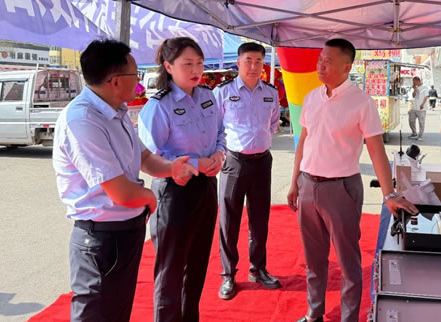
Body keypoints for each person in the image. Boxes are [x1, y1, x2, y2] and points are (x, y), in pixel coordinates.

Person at [53, 39, 197, 322]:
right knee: (96, 315)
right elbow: (122, 193)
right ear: (116, 81)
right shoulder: (82, 120)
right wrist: (151, 199)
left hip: (124, 232)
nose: (140, 82)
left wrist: (172, 168)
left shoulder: (116, 112)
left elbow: (144, 158)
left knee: (118, 312)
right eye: (136, 75)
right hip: (100, 239)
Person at [287, 38, 418, 322]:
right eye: (320, 59)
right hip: (308, 185)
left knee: (348, 261)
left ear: (347, 67)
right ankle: (314, 313)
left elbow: (376, 150)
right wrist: (294, 181)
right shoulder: (311, 97)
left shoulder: (362, 102)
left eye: (328, 61)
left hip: (341, 189)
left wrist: (389, 194)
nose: (320, 65)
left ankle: (348, 318)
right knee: (313, 258)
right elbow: (304, 141)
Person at [138, 37, 226, 322]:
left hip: (206, 186)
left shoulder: (208, 96)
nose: (196, 70)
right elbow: (150, 155)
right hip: (174, 190)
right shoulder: (158, 106)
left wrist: (220, 154)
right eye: (187, 63)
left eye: (199, 63)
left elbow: (220, 132)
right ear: (168, 66)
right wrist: (197, 163)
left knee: (198, 264)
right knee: (171, 269)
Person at [213, 42, 281, 300]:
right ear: (238, 63)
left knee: (260, 219)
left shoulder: (270, 93)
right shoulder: (223, 92)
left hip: (262, 161)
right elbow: (216, 127)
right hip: (234, 162)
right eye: (248, 60)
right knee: (229, 220)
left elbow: (273, 123)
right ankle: (228, 274)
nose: (253, 66)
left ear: (263, 64)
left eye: (258, 61)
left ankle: (258, 268)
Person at [408, 76, 428, 141]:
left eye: (414, 82)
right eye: (413, 82)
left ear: (418, 81)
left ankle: (420, 135)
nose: (414, 83)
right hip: (414, 107)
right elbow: (413, 96)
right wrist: (414, 89)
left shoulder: (424, 87)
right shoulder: (415, 88)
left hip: (422, 108)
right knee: (411, 120)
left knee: (421, 122)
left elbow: (426, 97)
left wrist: (422, 104)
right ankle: (414, 133)